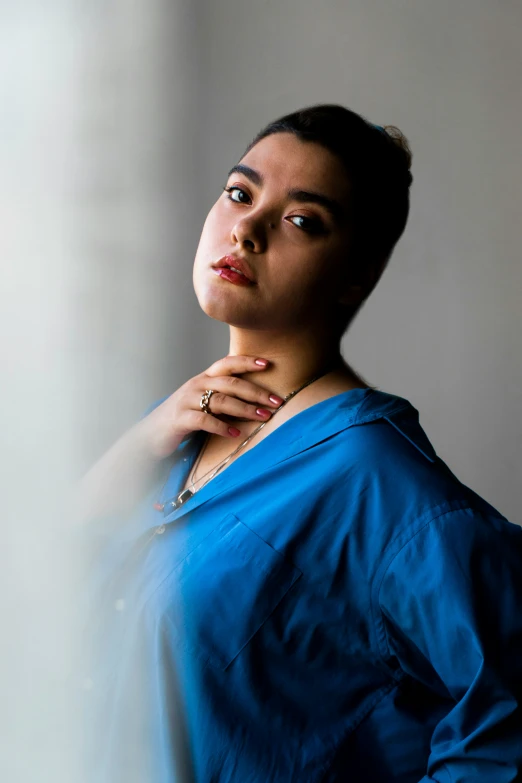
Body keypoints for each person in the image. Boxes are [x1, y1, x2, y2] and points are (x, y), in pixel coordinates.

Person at [78, 104, 522, 782]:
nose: (247, 228)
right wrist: (146, 438)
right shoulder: (178, 434)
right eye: (239, 193)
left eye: (300, 220)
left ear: (358, 274)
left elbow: (504, 718)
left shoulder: (373, 480)